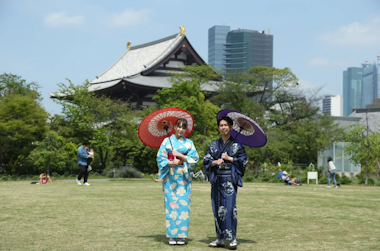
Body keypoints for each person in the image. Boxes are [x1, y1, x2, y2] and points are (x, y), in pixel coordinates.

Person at [203, 116, 248, 250]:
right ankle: (220, 238)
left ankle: (232, 238)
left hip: (229, 181)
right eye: (221, 125)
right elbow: (206, 161)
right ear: (219, 128)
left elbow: (243, 161)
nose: (223, 127)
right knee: (217, 209)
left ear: (231, 127)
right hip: (217, 180)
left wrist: (230, 158)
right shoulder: (213, 145)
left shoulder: (237, 145)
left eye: (226, 125)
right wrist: (215, 162)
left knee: (229, 209)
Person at [156, 118, 199, 245]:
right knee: (171, 206)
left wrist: (180, 156)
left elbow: (194, 158)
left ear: (186, 129)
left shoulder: (189, 143)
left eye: (183, 127)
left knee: (183, 206)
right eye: (178, 126)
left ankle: (182, 236)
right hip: (170, 178)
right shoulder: (166, 141)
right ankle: (171, 235)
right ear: (174, 127)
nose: (180, 129)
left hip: (183, 178)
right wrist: (170, 162)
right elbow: (160, 157)